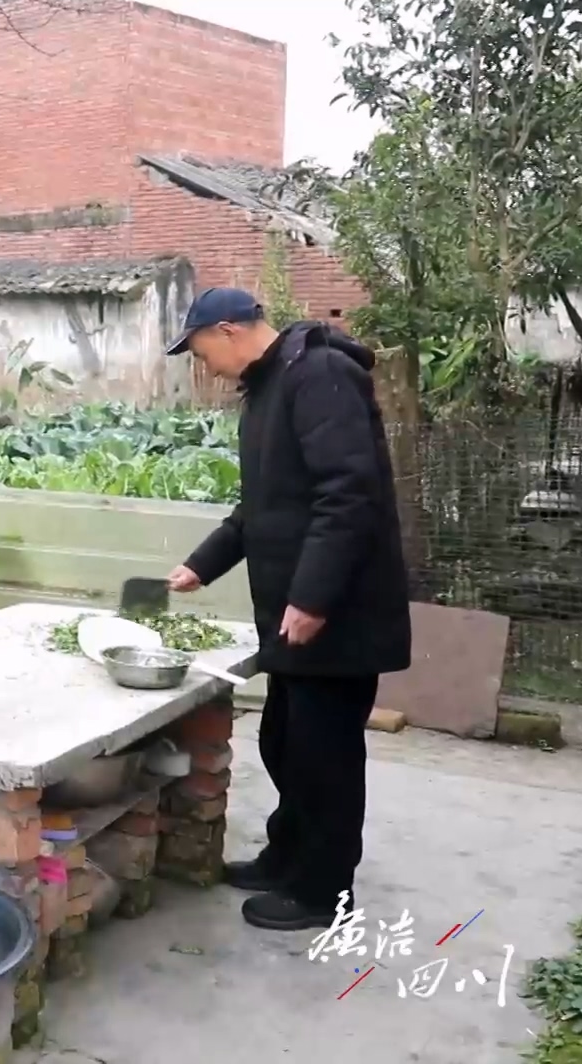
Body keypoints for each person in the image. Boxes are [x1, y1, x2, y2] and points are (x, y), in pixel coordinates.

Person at [162, 286, 412, 932]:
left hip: (338, 616)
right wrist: (201, 564)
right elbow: (261, 508)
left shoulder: (320, 375)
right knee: (285, 741)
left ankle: (324, 891)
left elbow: (348, 495)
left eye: (200, 351)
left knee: (326, 756)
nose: (205, 366)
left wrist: (311, 598)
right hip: (295, 620)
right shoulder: (270, 388)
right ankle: (287, 857)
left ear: (227, 330)